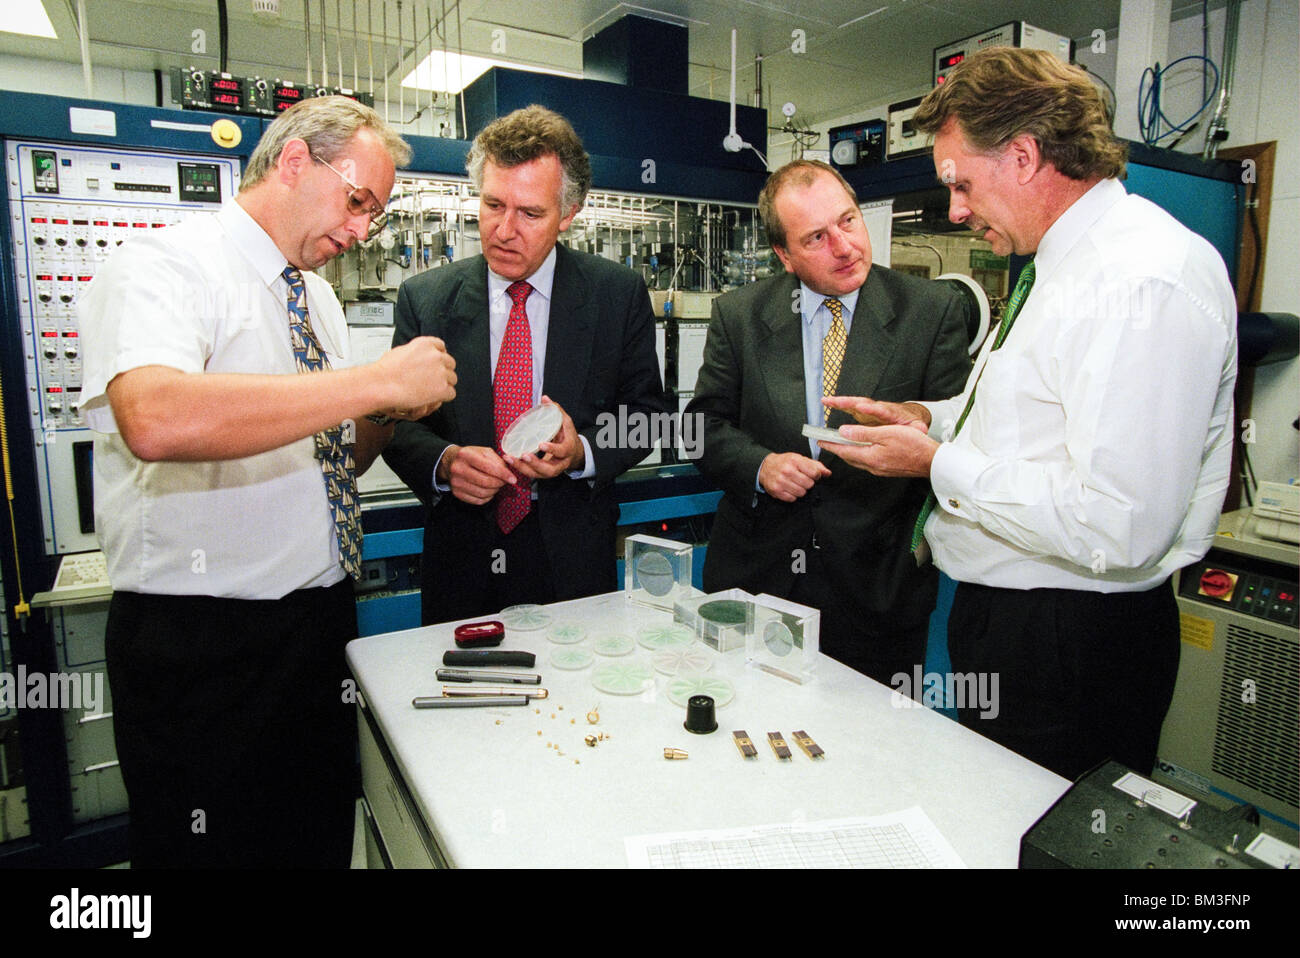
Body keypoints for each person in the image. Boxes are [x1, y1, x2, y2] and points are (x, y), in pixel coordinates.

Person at [820, 48, 1237, 780]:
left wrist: (935, 465)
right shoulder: (1059, 267)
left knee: (1054, 840)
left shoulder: (1142, 279)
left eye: (960, 183)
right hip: (1017, 622)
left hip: (1074, 641)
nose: (954, 209)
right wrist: (928, 419)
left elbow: (1121, 521)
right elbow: (1032, 421)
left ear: (1022, 155)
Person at [78, 96, 457, 867]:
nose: (360, 230)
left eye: (374, 214)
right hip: (204, 645)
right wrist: (368, 382)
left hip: (313, 630)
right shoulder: (164, 263)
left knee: (315, 840)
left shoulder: (313, 295)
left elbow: (331, 461)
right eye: (357, 201)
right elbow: (154, 417)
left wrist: (390, 406)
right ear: (292, 162)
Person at [686, 160, 971, 684]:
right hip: (758, 581)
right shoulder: (740, 315)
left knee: (870, 755)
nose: (844, 246)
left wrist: (919, 441)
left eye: (849, 221)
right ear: (784, 255)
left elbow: (961, 435)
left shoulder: (930, 312)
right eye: (816, 237)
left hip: (876, 593)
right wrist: (760, 465)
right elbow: (701, 426)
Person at [383, 105, 664, 624]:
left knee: (579, 703)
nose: (504, 230)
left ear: (569, 213)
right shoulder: (425, 299)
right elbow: (395, 426)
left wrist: (581, 450)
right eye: (493, 204)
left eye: (531, 214)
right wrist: (444, 463)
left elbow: (646, 414)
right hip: (462, 561)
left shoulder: (616, 295)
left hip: (573, 561)